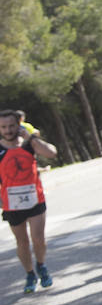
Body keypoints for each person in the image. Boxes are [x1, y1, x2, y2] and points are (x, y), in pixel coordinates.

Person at [0, 109, 58, 293]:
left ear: (19, 125)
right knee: (22, 242)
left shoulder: (29, 144)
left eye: (11, 126)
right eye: (3, 127)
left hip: (35, 200)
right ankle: (30, 274)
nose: (7, 130)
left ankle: (41, 265)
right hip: (11, 203)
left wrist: (31, 138)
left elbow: (51, 153)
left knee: (38, 239)